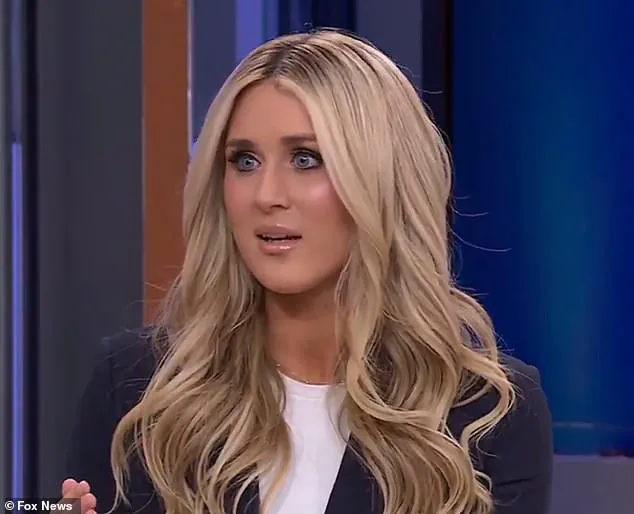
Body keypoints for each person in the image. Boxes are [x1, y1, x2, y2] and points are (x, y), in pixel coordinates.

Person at [61, 29, 552, 514]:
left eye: (305, 158)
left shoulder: (488, 414)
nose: (266, 194)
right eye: (245, 161)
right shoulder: (138, 389)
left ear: (383, 179)